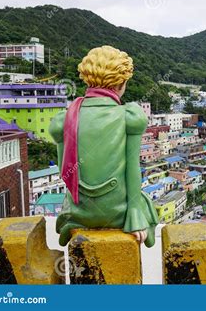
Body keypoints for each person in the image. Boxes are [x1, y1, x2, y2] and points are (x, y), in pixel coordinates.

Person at [49, 45, 159, 247]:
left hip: (79, 213)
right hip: (117, 214)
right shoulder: (129, 116)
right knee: (145, 202)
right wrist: (134, 213)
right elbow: (132, 169)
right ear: (122, 83)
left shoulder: (65, 118)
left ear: (87, 78)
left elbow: (65, 173)